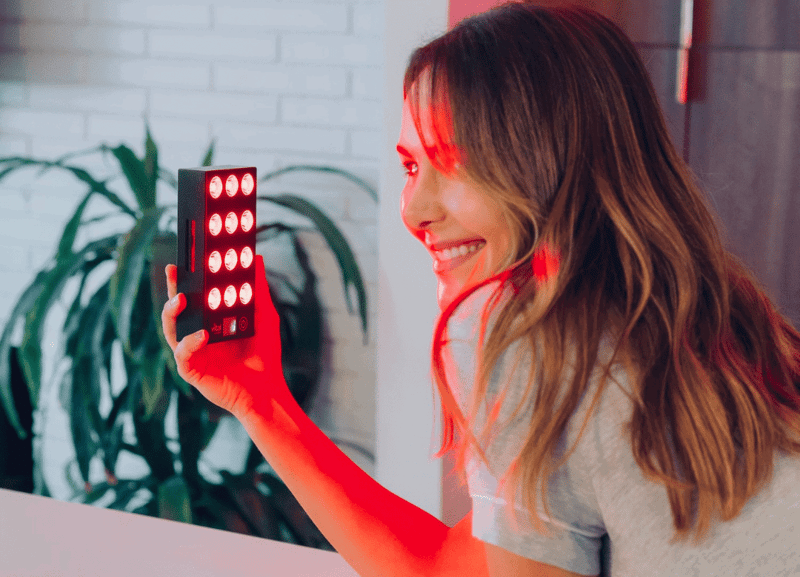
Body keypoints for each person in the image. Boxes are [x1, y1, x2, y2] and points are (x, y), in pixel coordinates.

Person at [162, 2, 800, 576]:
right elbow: (452, 568)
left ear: (549, 161)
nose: (414, 210)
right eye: (413, 165)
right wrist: (262, 400)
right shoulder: (728, 320)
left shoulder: (527, 333)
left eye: (455, 160)